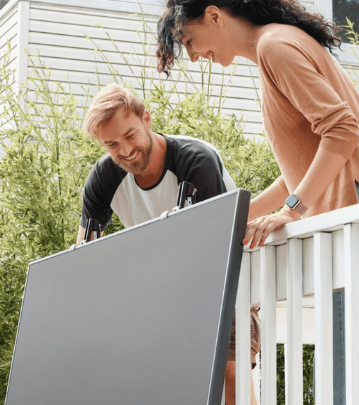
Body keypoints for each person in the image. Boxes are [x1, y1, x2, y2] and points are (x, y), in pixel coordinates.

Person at [156, 0, 359, 404]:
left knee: (354, 381)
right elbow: (301, 164)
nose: (192, 55)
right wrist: (233, 218)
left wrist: (293, 210)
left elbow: (341, 130)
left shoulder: (275, 46)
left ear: (214, 16)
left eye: (188, 40)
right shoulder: (274, 48)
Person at [77, 83, 260, 405]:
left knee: (230, 374)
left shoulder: (195, 159)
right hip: (162, 295)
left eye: (130, 135)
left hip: (227, 284)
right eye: (112, 144)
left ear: (146, 119)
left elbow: (209, 244)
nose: (125, 150)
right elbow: (84, 257)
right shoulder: (104, 177)